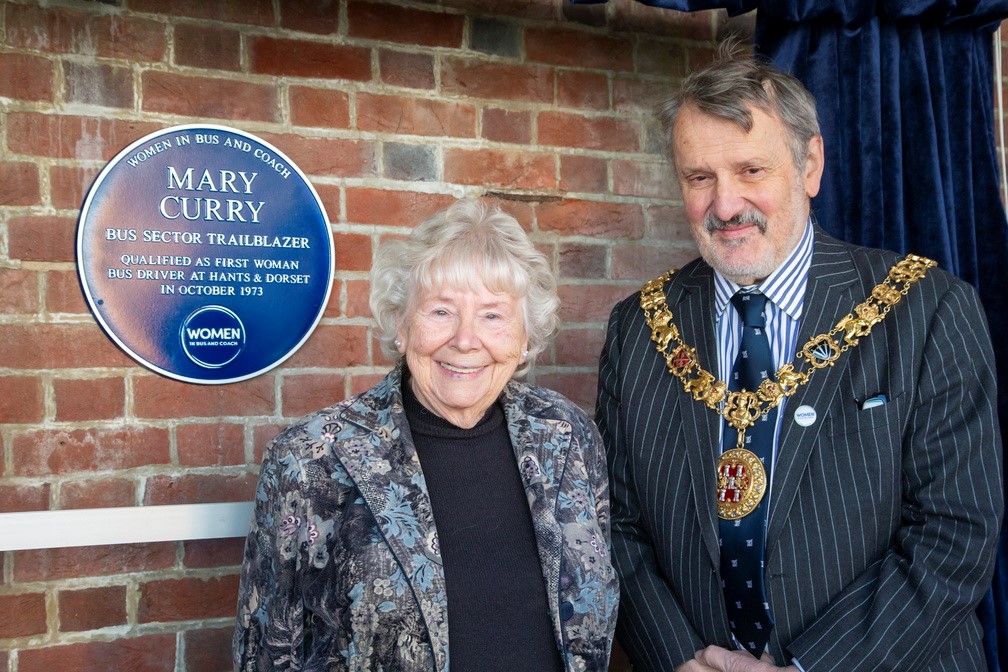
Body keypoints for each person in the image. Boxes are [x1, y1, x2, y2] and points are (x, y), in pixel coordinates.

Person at [596, 42, 1003, 672]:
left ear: (810, 165)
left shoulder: (926, 308)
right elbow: (616, 526)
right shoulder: (639, 328)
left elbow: (955, 532)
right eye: (699, 177)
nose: (724, 205)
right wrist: (680, 660)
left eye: (750, 171)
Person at [234, 198, 619, 671]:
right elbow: (266, 653)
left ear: (525, 338)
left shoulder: (567, 434)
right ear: (401, 323)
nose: (464, 339)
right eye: (440, 311)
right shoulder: (312, 459)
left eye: (493, 316)